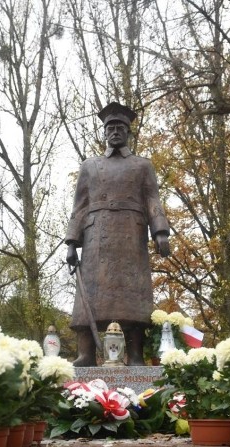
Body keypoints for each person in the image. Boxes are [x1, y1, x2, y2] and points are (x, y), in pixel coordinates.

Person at [65, 101, 171, 366]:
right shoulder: (90, 165)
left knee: (133, 295)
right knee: (89, 293)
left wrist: (160, 232)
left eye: (120, 127)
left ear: (128, 132)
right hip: (96, 235)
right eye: (110, 127)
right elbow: (80, 206)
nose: (114, 131)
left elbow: (153, 200)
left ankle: (135, 355)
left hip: (131, 235)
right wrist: (71, 242)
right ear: (104, 132)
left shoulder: (142, 165)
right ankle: (86, 354)